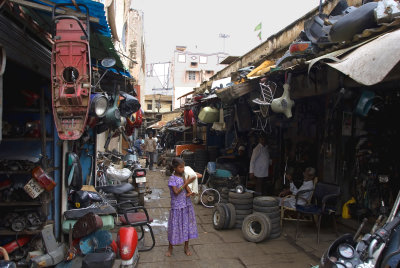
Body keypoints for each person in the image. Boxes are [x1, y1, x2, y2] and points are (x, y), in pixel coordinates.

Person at [166, 158, 198, 257]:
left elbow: (187, 188)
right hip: (176, 207)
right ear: (175, 168)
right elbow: (176, 192)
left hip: (186, 205)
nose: (182, 169)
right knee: (174, 227)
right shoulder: (172, 179)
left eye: (183, 167)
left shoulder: (184, 176)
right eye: (180, 167)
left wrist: (190, 192)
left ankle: (186, 247)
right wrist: (186, 183)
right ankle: (170, 248)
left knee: (187, 226)